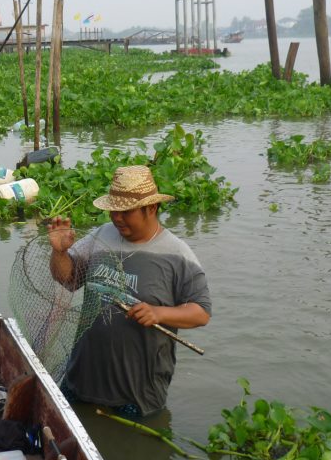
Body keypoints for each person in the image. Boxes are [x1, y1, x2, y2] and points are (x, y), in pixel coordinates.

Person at [47, 165, 211, 418]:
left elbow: (201, 313)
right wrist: (59, 252)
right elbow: (67, 279)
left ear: (151, 208)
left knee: (133, 452)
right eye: (114, 210)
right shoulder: (100, 236)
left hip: (136, 392)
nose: (117, 218)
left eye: (126, 211)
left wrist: (159, 313)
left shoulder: (177, 254)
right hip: (81, 378)